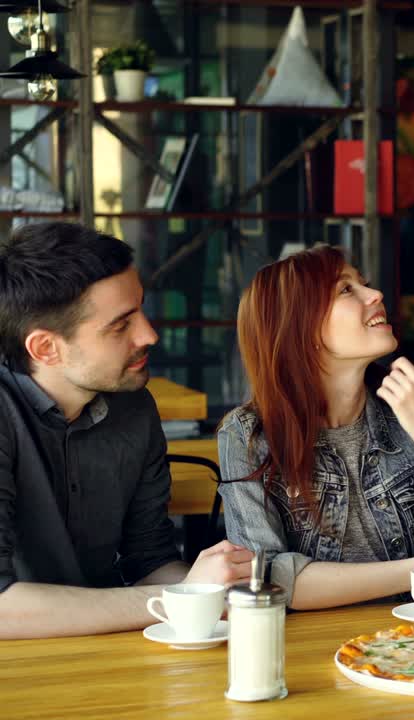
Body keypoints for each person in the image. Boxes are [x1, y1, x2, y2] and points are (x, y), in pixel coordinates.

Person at [0, 222, 253, 639]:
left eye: (141, 309)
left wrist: (220, 593)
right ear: (46, 348)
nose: (149, 334)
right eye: (120, 325)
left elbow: (149, 560)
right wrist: (183, 596)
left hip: (111, 654)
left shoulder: (133, 408)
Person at [218, 246, 414, 610]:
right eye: (346, 290)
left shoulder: (405, 409)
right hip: (310, 650)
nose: (376, 295)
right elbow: (266, 580)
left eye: (364, 284)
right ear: (301, 326)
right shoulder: (248, 435)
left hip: (411, 641)